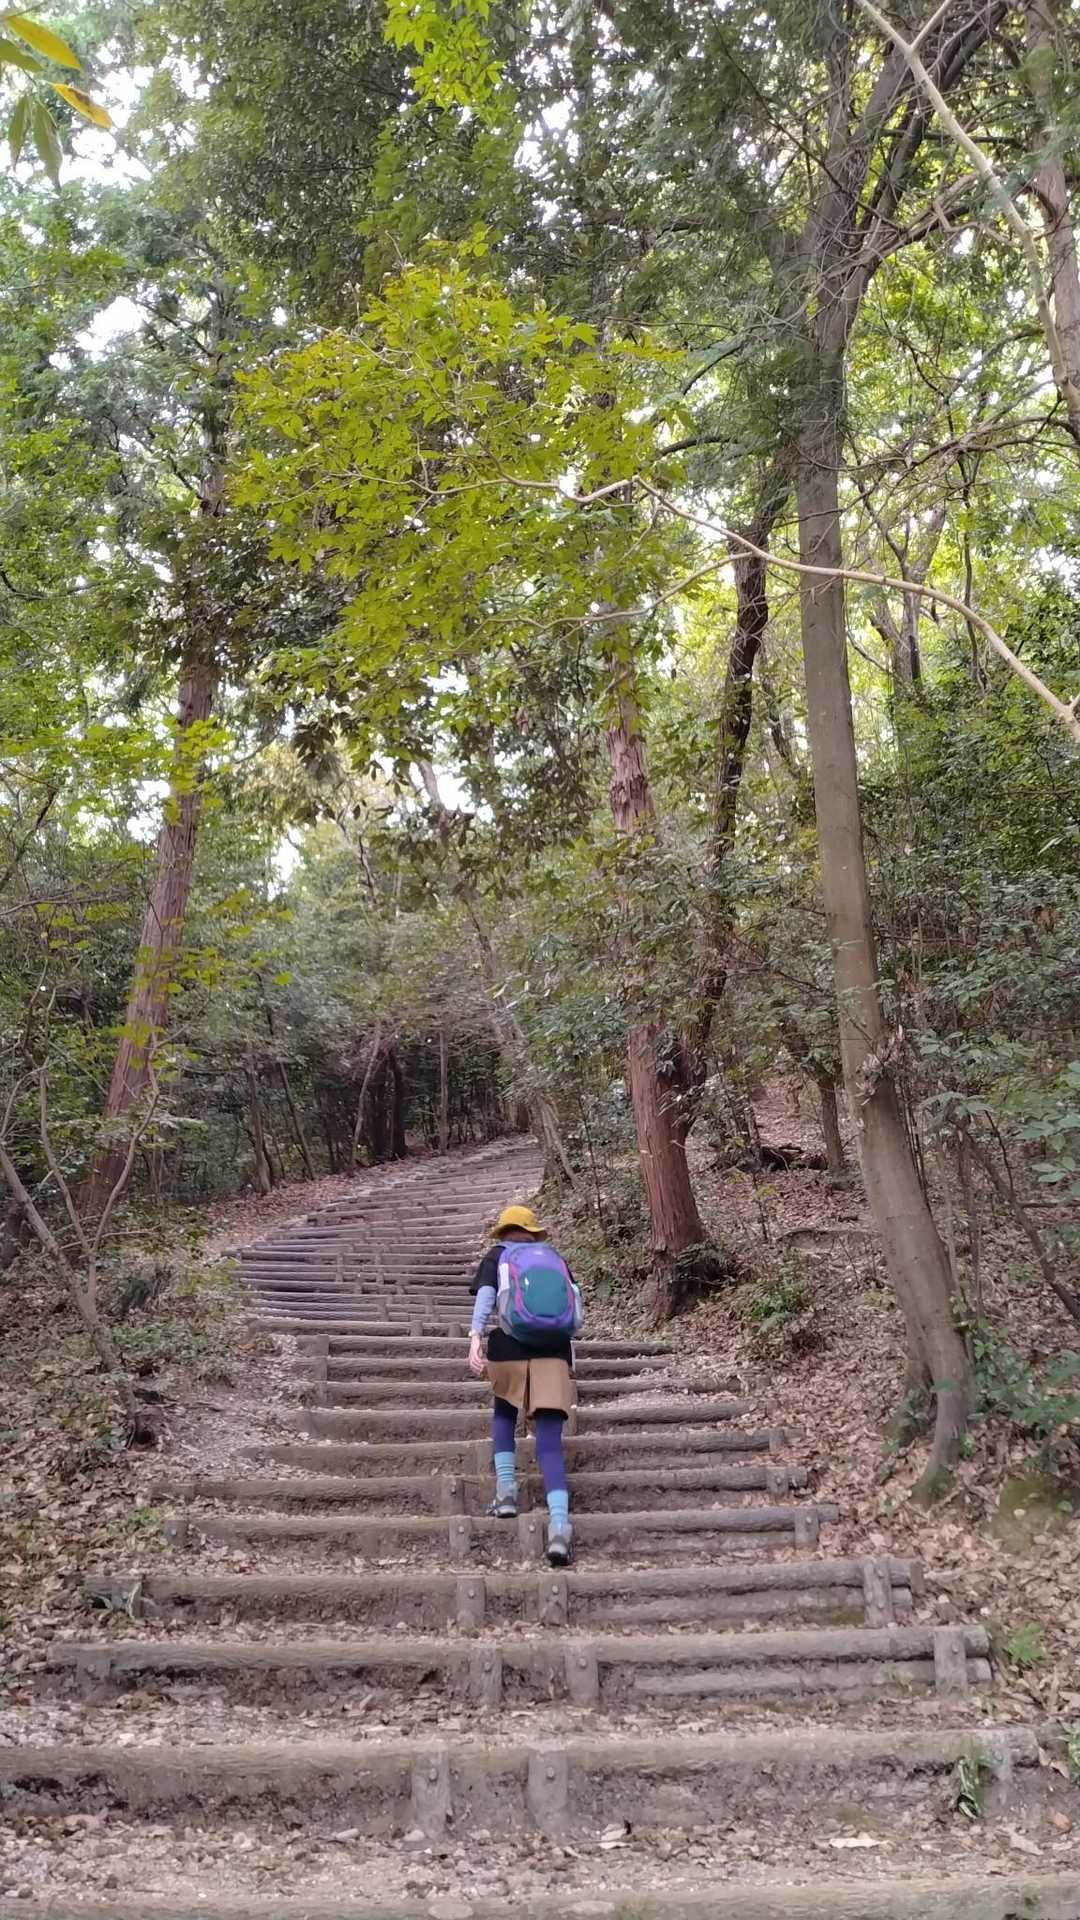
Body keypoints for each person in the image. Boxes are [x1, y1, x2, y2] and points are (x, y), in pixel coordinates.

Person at [468, 1203, 582, 1566]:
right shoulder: (555, 1258)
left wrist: (475, 1337)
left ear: (503, 1231)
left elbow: (486, 1297)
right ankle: (560, 1526)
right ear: (533, 1232)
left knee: (504, 1415)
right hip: (554, 1350)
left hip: (508, 1347)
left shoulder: (497, 1256)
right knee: (549, 1440)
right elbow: (574, 1306)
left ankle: (506, 1494)